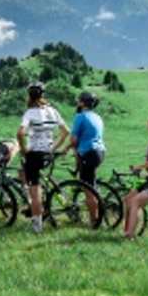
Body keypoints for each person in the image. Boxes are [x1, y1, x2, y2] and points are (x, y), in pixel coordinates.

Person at [17, 82, 69, 233]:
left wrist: (23, 149)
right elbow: (66, 131)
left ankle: (37, 226)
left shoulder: (30, 113)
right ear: (42, 95)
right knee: (24, 173)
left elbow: (20, 133)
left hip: (34, 153)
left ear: (29, 96)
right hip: (47, 153)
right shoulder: (53, 111)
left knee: (35, 189)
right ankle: (39, 208)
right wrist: (54, 148)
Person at [58, 91, 105, 225]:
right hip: (99, 152)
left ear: (82, 102)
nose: (77, 102)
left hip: (88, 153)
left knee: (88, 190)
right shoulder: (97, 116)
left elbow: (73, 140)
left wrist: (65, 149)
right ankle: (97, 216)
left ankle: (94, 221)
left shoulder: (80, 117)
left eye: (79, 100)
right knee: (91, 185)